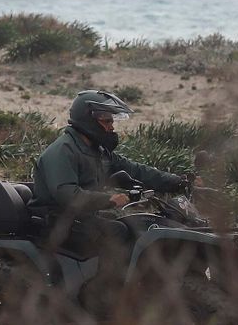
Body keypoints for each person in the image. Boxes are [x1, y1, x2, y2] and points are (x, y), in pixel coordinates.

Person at [31, 90, 192, 297]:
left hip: (81, 218)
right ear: (88, 120)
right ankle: (103, 293)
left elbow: (136, 170)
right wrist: (107, 199)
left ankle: (133, 285)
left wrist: (177, 182)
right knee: (117, 232)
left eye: (111, 121)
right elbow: (67, 194)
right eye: (106, 121)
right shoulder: (63, 151)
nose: (111, 126)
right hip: (55, 221)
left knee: (139, 225)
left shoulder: (97, 151)